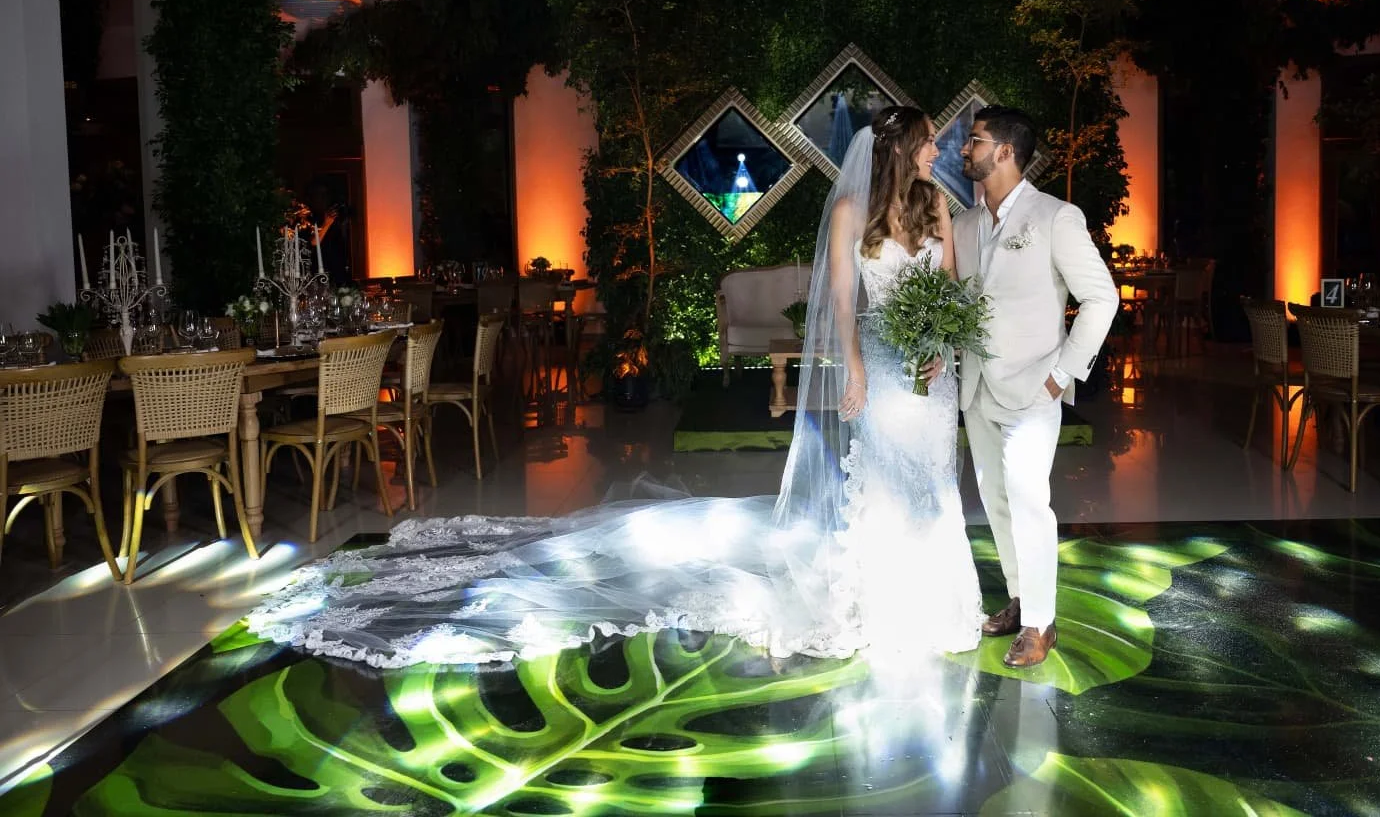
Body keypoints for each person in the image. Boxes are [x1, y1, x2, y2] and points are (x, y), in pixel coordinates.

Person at [244, 107, 982, 667]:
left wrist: (941, 346)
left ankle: (943, 602)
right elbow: (845, 302)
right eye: (928, 142)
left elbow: (948, 287)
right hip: (879, 365)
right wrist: (853, 367)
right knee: (883, 476)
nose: (937, 152)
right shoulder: (852, 211)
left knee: (935, 478)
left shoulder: (936, 207)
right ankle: (885, 599)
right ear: (898, 148)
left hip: (929, 369)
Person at [951, 105, 1118, 668]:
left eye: (975, 140)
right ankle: (1020, 600)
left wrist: (1062, 374)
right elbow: (961, 304)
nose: (965, 149)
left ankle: (1041, 625)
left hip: (1034, 387)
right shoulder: (964, 225)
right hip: (977, 388)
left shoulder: (1055, 216)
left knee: (1028, 502)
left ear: (1005, 152)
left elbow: (1102, 298)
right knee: (997, 502)